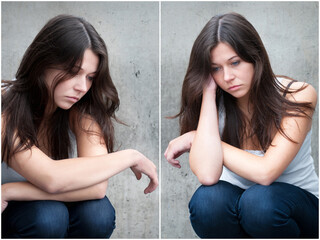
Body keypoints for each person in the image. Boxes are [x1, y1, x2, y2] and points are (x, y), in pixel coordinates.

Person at [1, 14, 158, 238]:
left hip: (15, 201)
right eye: (73, 72)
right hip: (9, 219)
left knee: (97, 213)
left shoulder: (83, 110)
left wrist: (9, 191)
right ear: (43, 62)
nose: (82, 87)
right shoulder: (5, 107)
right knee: (49, 216)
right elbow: (51, 178)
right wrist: (130, 157)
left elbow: (96, 189)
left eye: (90, 77)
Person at [165, 12, 318, 238]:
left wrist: (195, 138)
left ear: (255, 56)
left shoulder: (297, 95)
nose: (227, 76)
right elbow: (208, 176)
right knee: (207, 203)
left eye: (235, 62)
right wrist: (208, 92)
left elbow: (266, 172)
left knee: (258, 204)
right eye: (216, 68)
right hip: (242, 210)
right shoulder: (214, 105)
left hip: (298, 213)